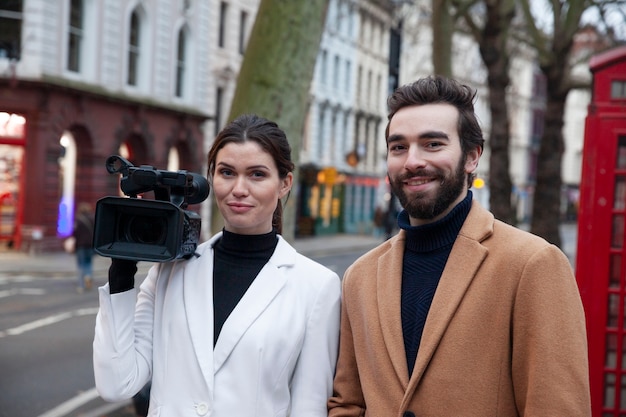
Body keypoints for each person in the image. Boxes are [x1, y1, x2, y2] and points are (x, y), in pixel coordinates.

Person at [327, 76, 591, 416]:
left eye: (433, 144)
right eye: (399, 147)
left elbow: (556, 408)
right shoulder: (359, 276)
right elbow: (348, 403)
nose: (412, 161)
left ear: (471, 157)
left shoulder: (532, 263)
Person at [93, 114, 341, 416]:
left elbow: (309, 407)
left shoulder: (316, 287)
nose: (239, 188)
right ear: (211, 177)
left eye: (257, 174)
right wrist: (121, 274)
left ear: (285, 183)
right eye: (227, 172)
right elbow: (117, 384)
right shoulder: (170, 272)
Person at [72, 202, 94, 292]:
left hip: (80, 245)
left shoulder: (78, 220)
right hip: (91, 245)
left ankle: (81, 286)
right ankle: (88, 276)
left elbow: (74, 233)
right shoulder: (93, 218)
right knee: (89, 263)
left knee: (81, 265)